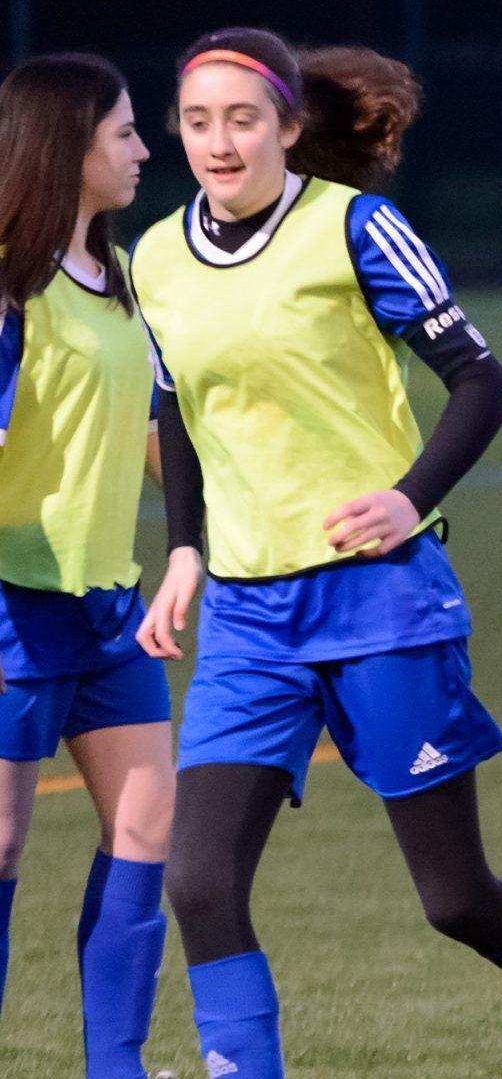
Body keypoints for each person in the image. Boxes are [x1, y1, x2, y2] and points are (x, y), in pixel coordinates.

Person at [129, 26, 502, 1079]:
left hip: (380, 603)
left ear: (290, 129)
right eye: (196, 120)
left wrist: (406, 496)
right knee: (199, 882)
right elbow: (175, 413)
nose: (218, 140)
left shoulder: (356, 229)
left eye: (243, 118)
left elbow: (482, 381)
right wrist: (187, 552)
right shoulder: (157, 255)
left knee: (455, 899)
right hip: (249, 619)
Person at [0, 52, 174, 1078]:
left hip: (110, 608)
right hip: (14, 608)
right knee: (4, 847)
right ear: (69, 147)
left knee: (149, 822)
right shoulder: (9, 292)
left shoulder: (118, 284)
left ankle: (117, 1066)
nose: (145, 149)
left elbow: (158, 437)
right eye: (125, 133)